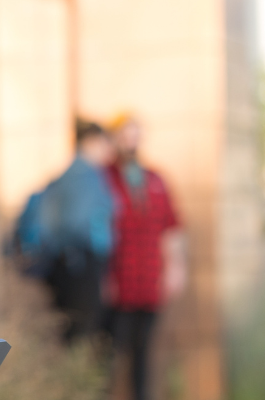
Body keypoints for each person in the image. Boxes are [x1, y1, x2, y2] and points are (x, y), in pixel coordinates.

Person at [12, 120, 118, 345]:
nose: (109, 150)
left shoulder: (68, 174)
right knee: (82, 333)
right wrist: (100, 249)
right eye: (105, 143)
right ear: (90, 142)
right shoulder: (85, 176)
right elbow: (78, 223)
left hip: (66, 264)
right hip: (81, 263)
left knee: (71, 331)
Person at [103, 113, 186, 400]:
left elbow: (171, 227)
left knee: (144, 357)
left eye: (135, 134)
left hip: (149, 283)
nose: (131, 142)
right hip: (118, 284)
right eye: (125, 135)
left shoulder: (155, 180)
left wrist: (175, 267)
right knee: (110, 357)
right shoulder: (104, 179)